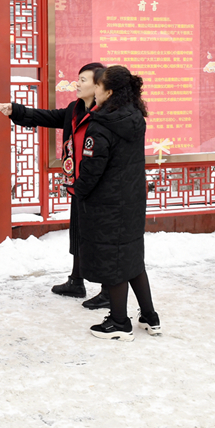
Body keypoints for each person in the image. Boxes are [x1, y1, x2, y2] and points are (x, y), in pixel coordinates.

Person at [0, 62, 108, 309]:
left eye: (84, 80)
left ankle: (109, 290)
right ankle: (76, 280)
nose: (78, 83)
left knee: (101, 238)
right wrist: (15, 110)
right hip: (79, 182)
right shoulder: (75, 110)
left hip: (100, 186)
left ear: (99, 85)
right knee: (78, 232)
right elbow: (47, 116)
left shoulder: (106, 115)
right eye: (78, 78)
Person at [70, 65, 160, 341]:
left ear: (109, 92)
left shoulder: (101, 125)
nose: (94, 90)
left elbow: (92, 170)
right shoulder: (135, 117)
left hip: (107, 205)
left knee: (114, 261)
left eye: (98, 86)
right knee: (132, 259)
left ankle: (120, 322)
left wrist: (77, 191)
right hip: (131, 201)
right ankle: (150, 317)